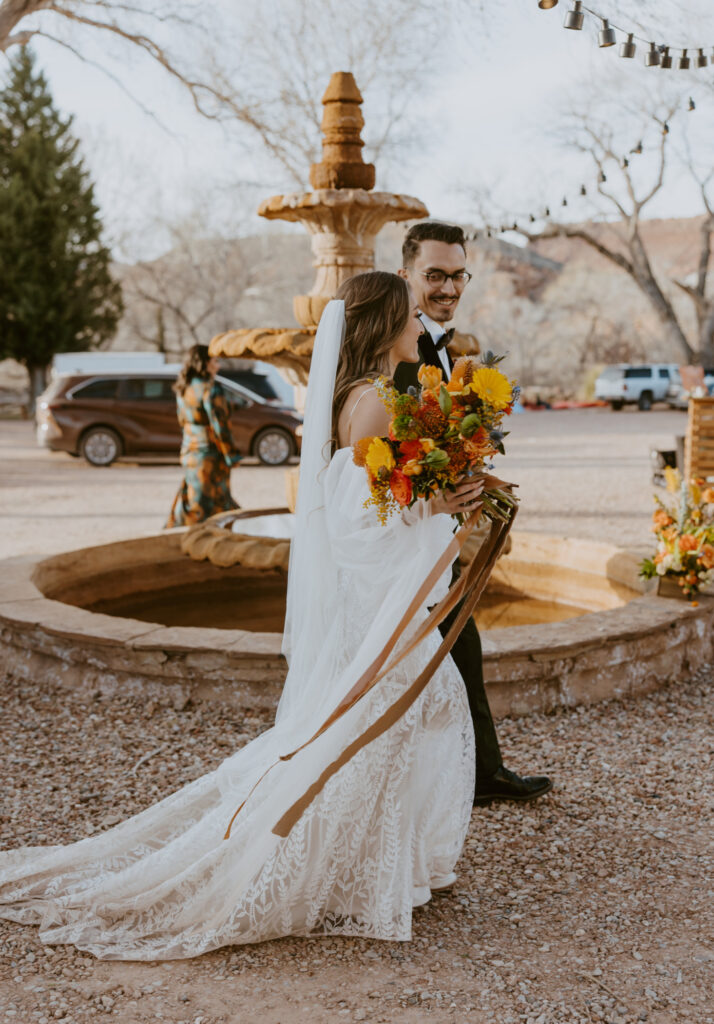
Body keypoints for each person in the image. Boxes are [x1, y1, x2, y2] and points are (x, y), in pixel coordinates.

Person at [0, 272, 486, 960]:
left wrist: (437, 495)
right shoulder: (374, 403)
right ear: (382, 327)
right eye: (411, 316)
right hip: (377, 606)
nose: (421, 328)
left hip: (375, 604)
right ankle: (343, 873)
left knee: (397, 722)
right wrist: (439, 505)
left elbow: (370, 508)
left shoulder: (363, 398)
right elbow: (363, 528)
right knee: (385, 727)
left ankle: (376, 866)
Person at [395, 221, 552, 804]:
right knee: (428, 656)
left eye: (457, 275)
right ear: (406, 274)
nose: (448, 287)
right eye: (434, 275)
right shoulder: (393, 348)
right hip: (405, 539)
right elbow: (370, 454)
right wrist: (431, 495)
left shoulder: (439, 345)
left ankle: (478, 773)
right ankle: (439, 782)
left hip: (435, 534)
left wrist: (474, 472)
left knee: (462, 647)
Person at [165, 344, 240, 528]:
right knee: (214, 503)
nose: (218, 366)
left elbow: (183, 421)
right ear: (205, 363)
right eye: (215, 361)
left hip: (189, 451)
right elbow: (220, 426)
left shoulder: (184, 389)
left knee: (193, 500)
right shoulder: (211, 389)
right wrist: (231, 455)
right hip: (209, 455)